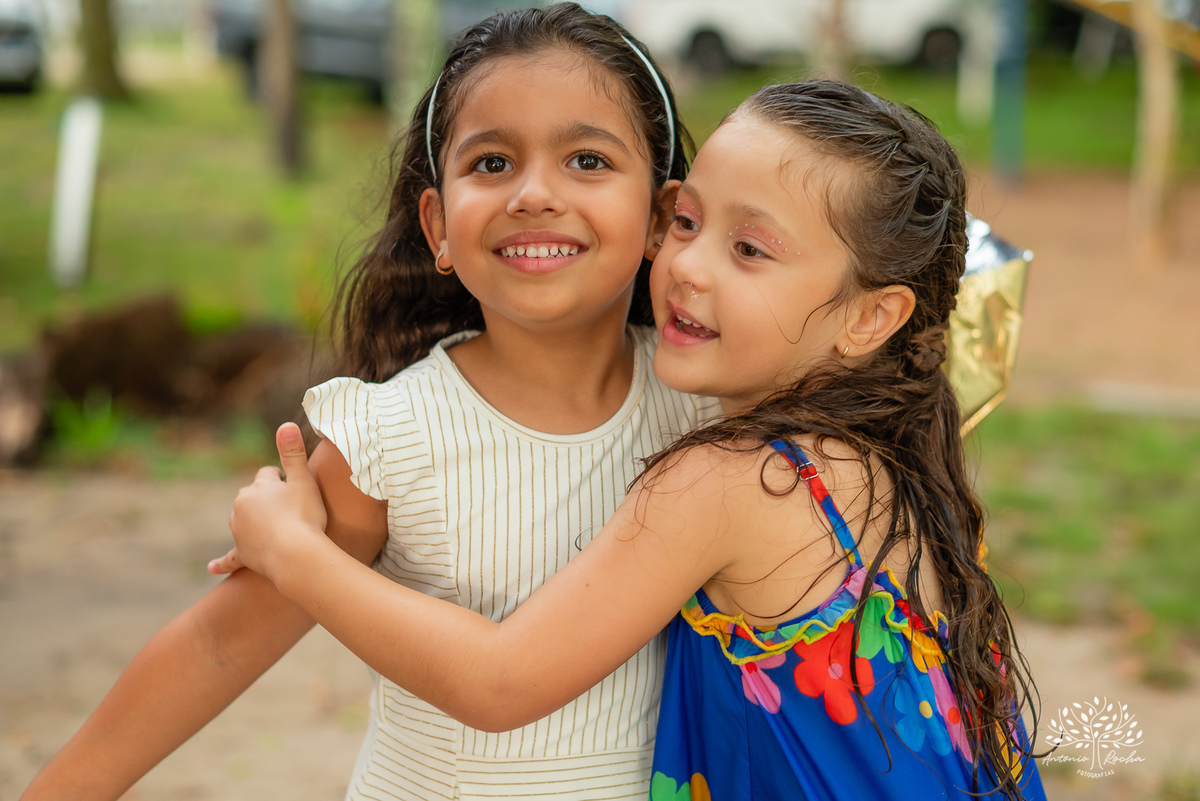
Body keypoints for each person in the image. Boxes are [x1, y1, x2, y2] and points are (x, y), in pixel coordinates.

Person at [218, 80, 1048, 800]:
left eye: (748, 248)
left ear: (872, 317)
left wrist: (294, 551)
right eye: (686, 221)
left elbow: (500, 680)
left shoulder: (729, 480)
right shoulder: (899, 459)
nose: (686, 265)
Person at [20, 6, 718, 800]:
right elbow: (218, 645)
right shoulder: (394, 438)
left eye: (587, 160)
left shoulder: (708, 411)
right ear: (438, 225)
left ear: (661, 217)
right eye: (492, 163)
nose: (534, 193)